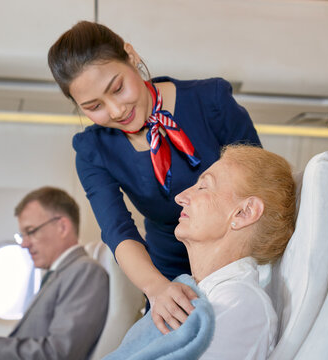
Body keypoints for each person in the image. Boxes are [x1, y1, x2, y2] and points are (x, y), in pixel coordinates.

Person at [47, 20, 261, 334]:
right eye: (94, 107)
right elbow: (118, 231)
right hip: (167, 273)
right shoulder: (93, 150)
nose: (116, 111)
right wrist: (156, 288)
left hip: (241, 257)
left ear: (130, 55)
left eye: (117, 88)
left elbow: (260, 185)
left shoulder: (210, 102)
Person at [0, 186, 109, 359]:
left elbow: (59, 353)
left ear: (62, 227)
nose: (24, 244)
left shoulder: (85, 271)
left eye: (30, 232)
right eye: (22, 236)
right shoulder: (59, 274)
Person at [174, 144, 296, 359]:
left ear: (244, 213)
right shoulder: (202, 294)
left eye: (203, 187)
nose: (180, 197)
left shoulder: (241, 304)